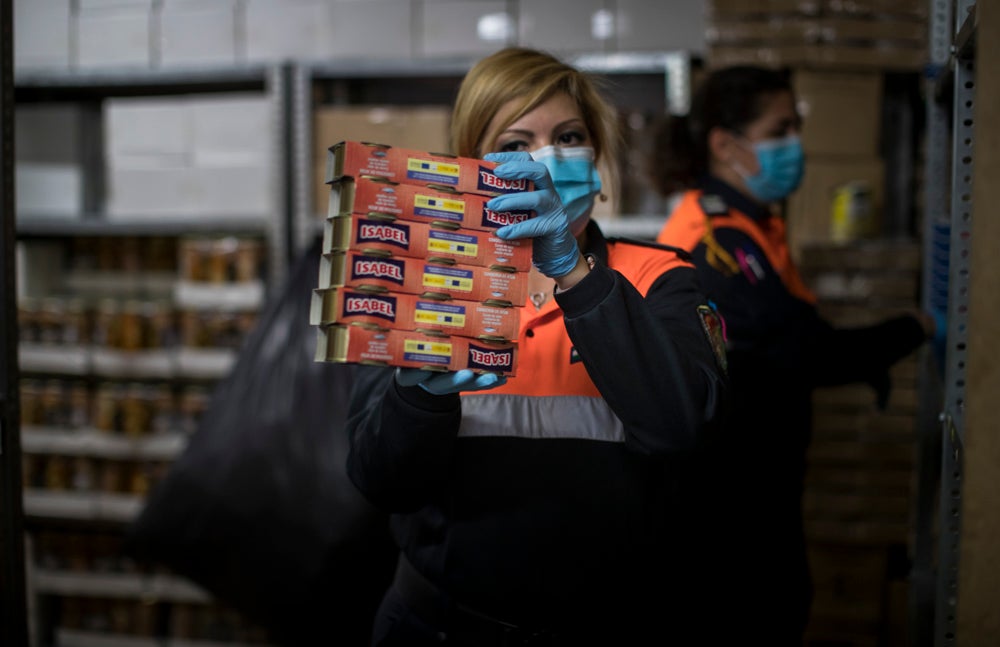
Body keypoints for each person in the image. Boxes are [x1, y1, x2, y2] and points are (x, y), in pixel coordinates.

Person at [345, 47, 730, 646]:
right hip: (436, 629)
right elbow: (380, 482)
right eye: (516, 144)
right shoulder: (423, 279)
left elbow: (680, 426)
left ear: (597, 158)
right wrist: (414, 397)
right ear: (473, 165)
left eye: (569, 136)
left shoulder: (660, 276)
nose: (546, 161)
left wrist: (576, 274)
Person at [645, 64, 940, 644]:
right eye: (780, 130)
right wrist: (913, 328)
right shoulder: (716, 243)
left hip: (755, 480)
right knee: (763, 612)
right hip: (728, 499)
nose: (795, 144)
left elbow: (791, 333)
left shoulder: (748, 225)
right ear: (727, 146)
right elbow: (803, 349)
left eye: (795, 127)